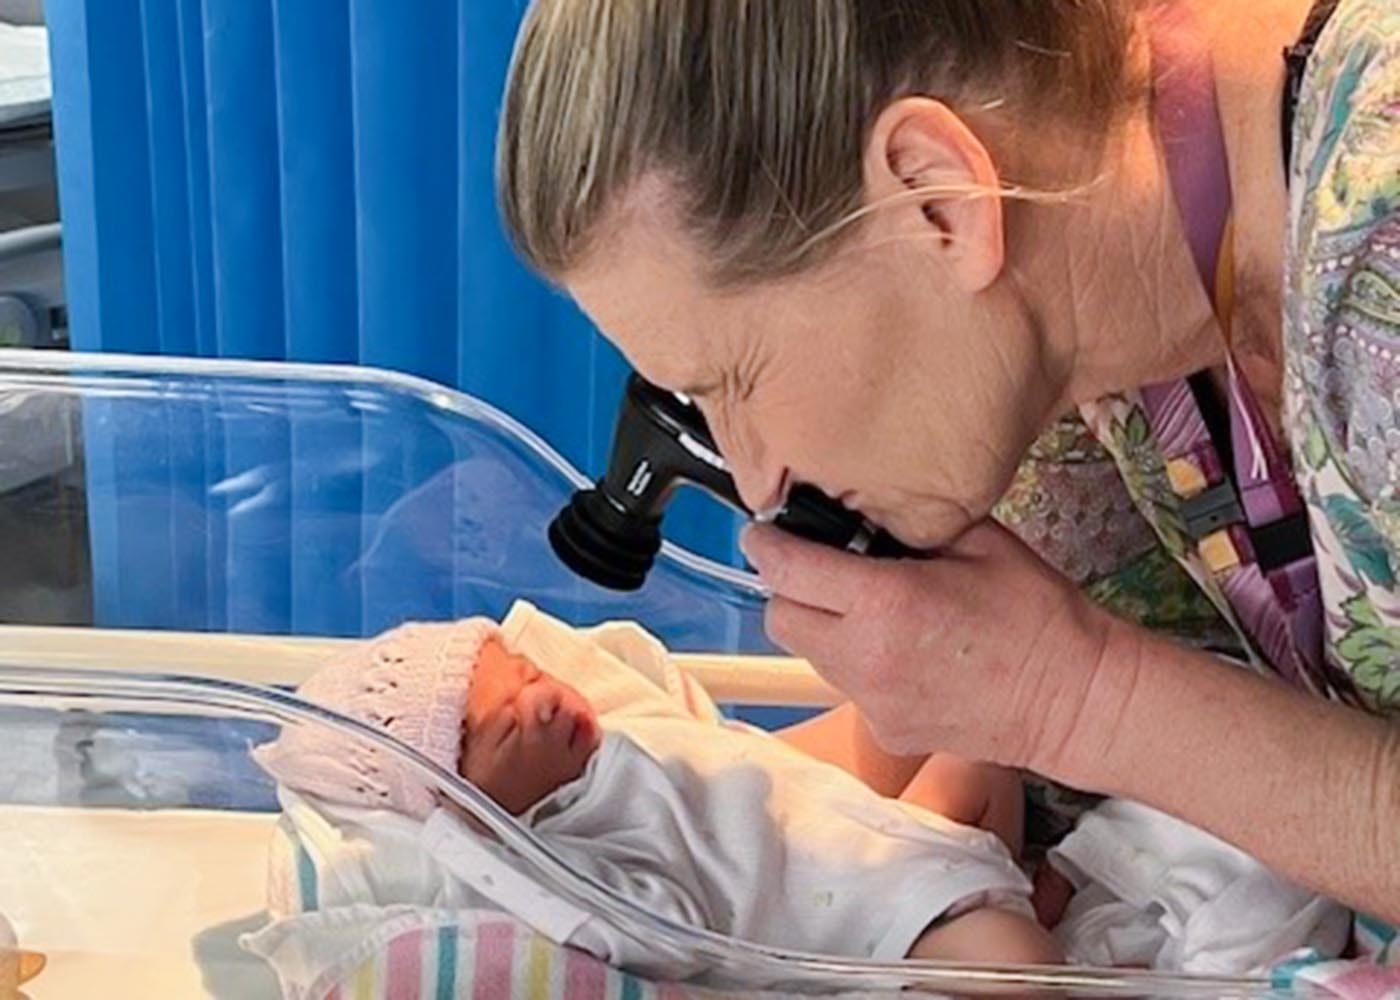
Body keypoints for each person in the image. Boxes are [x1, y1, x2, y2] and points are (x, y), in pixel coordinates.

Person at [495, 0, 1400, 927]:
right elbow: (913, 769)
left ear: (937, 198)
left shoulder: (1378, 222)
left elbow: (1092, 702)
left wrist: (1079, 702)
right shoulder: (1087, 352)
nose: (757, 480)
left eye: (733, 382)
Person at [256, 603, 1061, 976]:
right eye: (504, 730)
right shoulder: (565, 863)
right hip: (865, 934)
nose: (541, 701)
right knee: (1014, 963)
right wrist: (479, 859)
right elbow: (669, 934)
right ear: (470, 817)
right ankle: (1006, 909)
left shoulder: (616, 740)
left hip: (877, 829)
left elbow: (750, 761)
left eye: (529, 676)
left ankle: (1000, 879)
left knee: (977, 745)